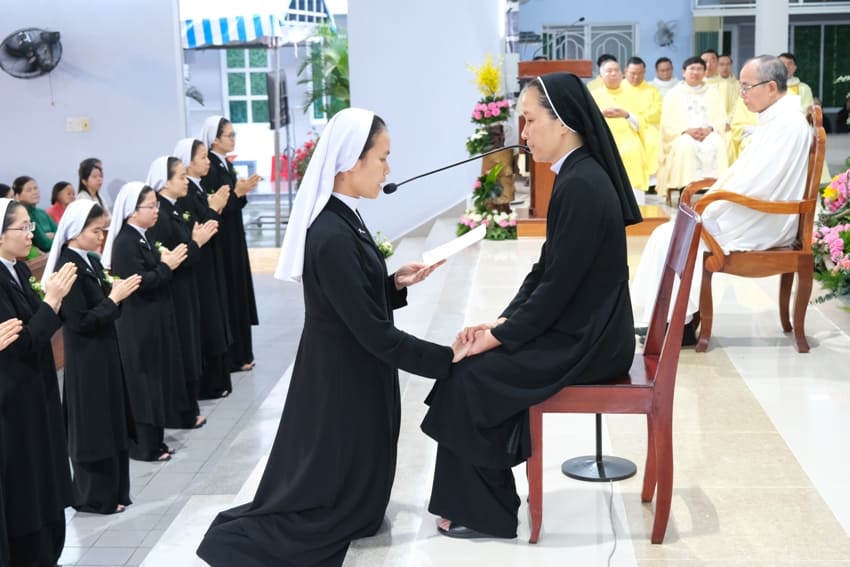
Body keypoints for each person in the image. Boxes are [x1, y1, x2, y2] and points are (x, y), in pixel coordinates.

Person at [197, 108, 468, 567]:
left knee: (358, 460)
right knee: (332, 473)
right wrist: (446, 359)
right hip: (342, 373)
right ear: (350, 162)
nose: (388, 168)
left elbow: (351, 297)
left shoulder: (346, 217)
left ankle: (356, 508)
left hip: (352, 363)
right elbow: (372, 331)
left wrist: (393, 284)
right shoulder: (331, 233)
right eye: (382, 157)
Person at [421, 72, 641, 540]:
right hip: (585, 327)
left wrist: (499, 338)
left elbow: (558, 289)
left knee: (472, 375)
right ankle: (480, 502)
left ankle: (483, 511)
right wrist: (502, 323)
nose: (523, 133)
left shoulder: (583, 184)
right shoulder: (576, 176)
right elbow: (545, 271)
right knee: (469, 370)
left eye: (529, 120)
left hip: (592, 341)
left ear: (563, 122)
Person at [631, 55, 811, 340]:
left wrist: (714, 205)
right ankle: (669, 319)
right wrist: (716, 199)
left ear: (771, 87)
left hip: (765, 220)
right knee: (666, 233)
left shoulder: (787, 124)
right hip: (752, 212)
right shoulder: (776, 118)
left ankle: (675, 323)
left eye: (747, 87)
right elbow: (750, 176)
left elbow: (762, 185)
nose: (742, 94)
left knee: (672, 236)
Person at [43, 200, 141, 515]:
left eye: (102, 231)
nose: (101, 237)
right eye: (96, 231)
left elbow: (104, 307)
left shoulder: (89, 261)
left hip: (104, 351)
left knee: (110, 418)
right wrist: (114, 298)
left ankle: (115, 492)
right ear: (75, 231)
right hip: (86, 358)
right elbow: (79, 321)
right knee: (94, 424)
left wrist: (116, 296)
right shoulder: (68, 267)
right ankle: (95, 496)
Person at [0, 198, 77, 566]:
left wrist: (51, 304)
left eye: (31, 226)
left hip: (37, 387)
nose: (30, 234)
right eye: (23, 227)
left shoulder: (17, 269)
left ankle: (49, 546)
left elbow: (37, 327)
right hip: (14, 397)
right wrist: (52, 302)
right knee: (26, 480)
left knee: (46, 472)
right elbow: (23, 342)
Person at [102, 182, 189, 462]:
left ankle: (156, 441)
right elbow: (137, 281)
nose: (155, 211)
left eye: (156, 205)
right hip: (138, 323)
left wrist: (164, 266)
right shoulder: (126, 242)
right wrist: (166, 267)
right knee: (143, 383)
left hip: (153, 319)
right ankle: (144, 446)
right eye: (150, 206)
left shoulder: (143, 236)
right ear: (132, 210)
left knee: (156, 380)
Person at [146, 156, 218, 424]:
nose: (186, 181)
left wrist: (195, 241)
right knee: (181, 347)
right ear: (165, 182)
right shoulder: (161, 214)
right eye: (180, 176)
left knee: (189, 344)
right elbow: (171, 256)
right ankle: (181, 412)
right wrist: (196, 242)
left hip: (186, 286)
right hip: (174, 290)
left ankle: (189, 406)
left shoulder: (173, 208)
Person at [199, 116, 261, 372]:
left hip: (234, 235)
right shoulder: (212, 168)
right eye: (229, 135)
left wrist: (241, 192)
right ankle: (236, 356)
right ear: (215, 139)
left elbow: (232, 203)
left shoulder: (224, 164)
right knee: (231, 293)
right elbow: (217, 207)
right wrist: (237, 193)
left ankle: (243, 353)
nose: (234, 139)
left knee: (239, 292)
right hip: (223, 239)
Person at [174, 138, 233, 400]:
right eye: (201, 157)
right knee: (207, 319)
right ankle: (211, 383)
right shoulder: (187, 196)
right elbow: (200, 229)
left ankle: (219, 379)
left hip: (210, 262)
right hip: (199, 266)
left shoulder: (198, 189)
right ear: (187, 162)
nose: (207, 161)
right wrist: (214, 209)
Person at [656, 56, 728, 199]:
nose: (695, 72)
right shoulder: (673, 94)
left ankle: (717, 192)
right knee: (686, 145)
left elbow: (721, 117)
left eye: (699, 69)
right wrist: (686, 131)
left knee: (718, 143)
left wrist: (710, 129)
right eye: (692, 69)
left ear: (704, 72)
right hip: (684, 134)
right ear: (684, 72)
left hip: (708, 133)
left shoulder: (713, 93)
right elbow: (667, 122)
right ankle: (686, 191)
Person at [591, 58, 649, 202]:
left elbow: (642, 123)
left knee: (633, 151)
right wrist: (601, 115)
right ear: (601, 76)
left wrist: (626, 114)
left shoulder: (633, 94)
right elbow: (588, 122)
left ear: (622, 74)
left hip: (628, 138)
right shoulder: (593, 95)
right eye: (609, 71)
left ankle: (636, 205)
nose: (613, 74)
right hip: (604, 139)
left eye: (616, 70)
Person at [624, 56, 663, 184]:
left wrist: (638, 118)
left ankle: (651, 182)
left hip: (647, 127)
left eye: (640, 73)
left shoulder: (652, 90)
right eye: (633, 73)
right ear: (626, 71)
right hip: (624, 127)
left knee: (654, 143)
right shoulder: (618, 88)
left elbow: (657, 111)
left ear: (645, 72)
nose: (636, 77)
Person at [12, 176, 56, 256]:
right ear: (18, 196)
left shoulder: (42, 213)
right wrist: (51, 237)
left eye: (35, 188)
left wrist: (50, 237)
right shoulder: (23, 217)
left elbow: (60, 235)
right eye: (29, 190)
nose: (34, 192)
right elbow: (45, 245)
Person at [77, 158, 111, 222]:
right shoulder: (81, 199)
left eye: (100, 176)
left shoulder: (100, 198)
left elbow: (109, 218)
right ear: (84, 181)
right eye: (94, 177)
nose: (99, 179)